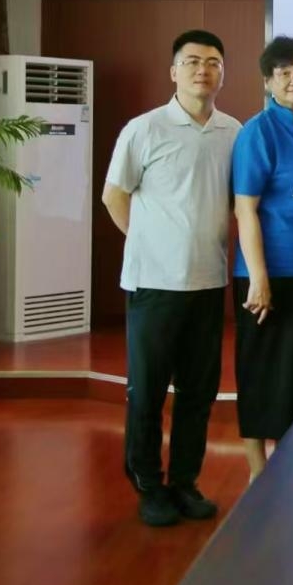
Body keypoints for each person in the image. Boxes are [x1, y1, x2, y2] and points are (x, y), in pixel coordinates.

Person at [102, 29, 241, 527]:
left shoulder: (233, 131)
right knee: (147, 392)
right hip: (154, 284)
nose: (203, 70)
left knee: (198, 393)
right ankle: (148, 484)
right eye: (193, 61)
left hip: (208, 282)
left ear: (223, 72)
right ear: (173, 71)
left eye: (213, 62)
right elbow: (114, 196)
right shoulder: (144, 129)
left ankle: (184, 481)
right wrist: (150, 242)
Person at [231, 36, 293, 481]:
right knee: (259, 369)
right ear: (268, 81)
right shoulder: (258, 131)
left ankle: (292, 464)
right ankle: (257, 470)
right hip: (266, 273)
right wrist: (258, 276)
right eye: (284, 73)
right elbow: (245, 208)